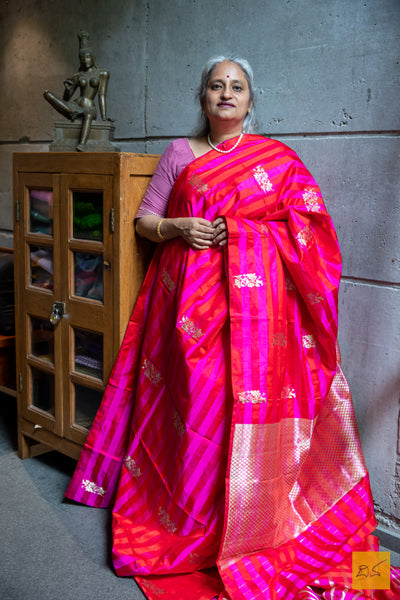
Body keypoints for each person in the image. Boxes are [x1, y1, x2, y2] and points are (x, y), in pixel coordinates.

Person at [66, 57, 399, 599]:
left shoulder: (279, 162)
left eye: (236, 86)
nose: (226, 93)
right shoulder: (179, 153)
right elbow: (144, 222)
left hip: (260, 323)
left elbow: (312, 230)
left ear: (250, 100)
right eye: (216, 85)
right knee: (200, 411)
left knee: (246, 413)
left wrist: (244, 233)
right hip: (190, 315)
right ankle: (198, 526)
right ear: (202, 98)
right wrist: (179, 226)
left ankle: (254, 525)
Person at [43, 30, 110, 151]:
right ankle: (72, 113)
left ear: (93, 58)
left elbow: (102, 95)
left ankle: (82, 143)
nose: (85, 60)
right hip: (75, 105)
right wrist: (67, 89)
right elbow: (66, 98)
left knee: (88, 114)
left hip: (89, 107)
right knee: (48, 95)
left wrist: (104, 117)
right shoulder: (78, 75)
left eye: (88, 57)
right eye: (82, 58)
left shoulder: (102, 73)